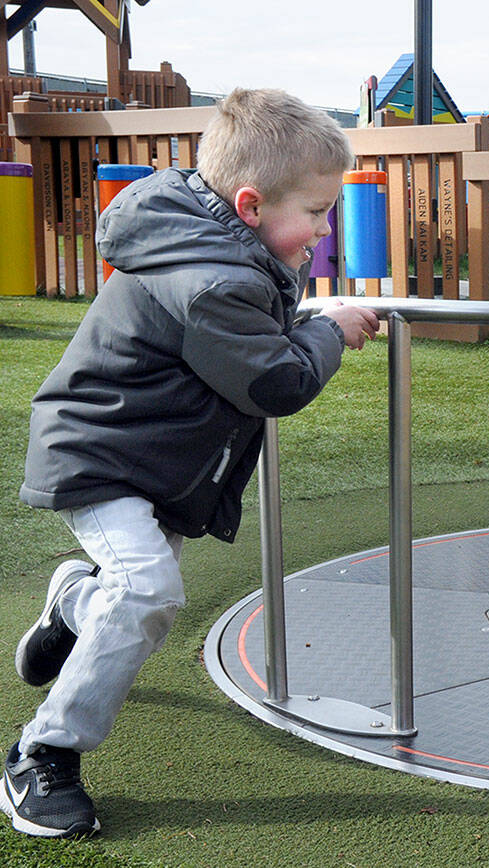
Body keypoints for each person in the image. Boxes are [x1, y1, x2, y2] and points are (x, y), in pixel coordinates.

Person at [4, 88, 380, 838]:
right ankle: (41, 752)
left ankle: (75, 605)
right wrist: (329, 332)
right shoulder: (214, 278)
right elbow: (277, 380)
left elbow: (249, 339)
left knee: (131, 595)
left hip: (155, 454)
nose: (324, 226)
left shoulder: (214, 245)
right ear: (249, 205)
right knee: (148, 587)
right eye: (314, 210)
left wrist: (302, 317)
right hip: (103, 451)